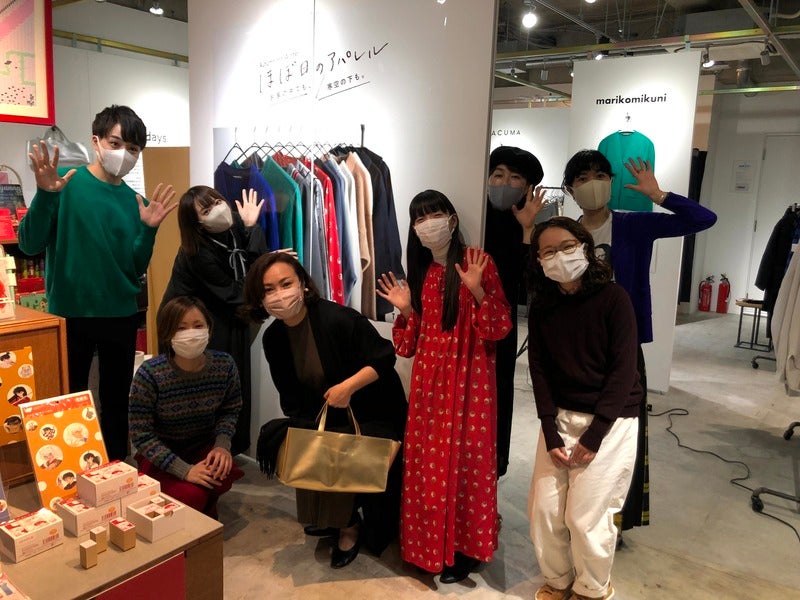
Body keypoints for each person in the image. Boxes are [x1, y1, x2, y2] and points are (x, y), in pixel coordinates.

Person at [563, 150, 717, 538]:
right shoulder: (564, 232)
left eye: (601, 175)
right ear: (570, 189)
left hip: (622, 344)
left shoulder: (633, 224)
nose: (593, 183)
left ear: (611, 182)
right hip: (578, 345)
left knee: (623, 431)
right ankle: (576, 510)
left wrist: (660, 195)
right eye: (582, 178)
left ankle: (616, 518)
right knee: (577, 428)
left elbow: (703, 219)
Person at [19, 105, 177, 462]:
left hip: (120, 313)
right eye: (116, 143)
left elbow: (134, 267)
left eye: (133, 149)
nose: (124, 154)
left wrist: (149, 231)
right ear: (96, 141)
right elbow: (28, 244)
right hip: (70, 312)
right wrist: (45, 195)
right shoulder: (64, 182)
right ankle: (71, 470)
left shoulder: (134, 202)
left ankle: (116, 469)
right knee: (69, 400)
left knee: (117, 400)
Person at [377, 189, 512, 583]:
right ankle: (427, 547)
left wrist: (478, 289)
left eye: (433, 214)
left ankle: (463, 552)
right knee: (428, 468)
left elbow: (499, 328)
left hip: (471, 383)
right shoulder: (420, 272)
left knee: (469, 465)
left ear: (452, 219)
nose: (427, 224)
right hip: (430, 388)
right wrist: (405, 309)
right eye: (419, 218)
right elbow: (408, 345)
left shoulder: (478, 262)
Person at [242, 252, 407, 569]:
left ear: (302, 283)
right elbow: (289, 393)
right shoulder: (274, 338)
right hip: (325, 413)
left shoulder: (338, 319)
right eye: (268, 289)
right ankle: (329, 517)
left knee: (338, 448)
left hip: (372, 411)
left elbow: (384, 358)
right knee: (301, 441)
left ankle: (349, 527)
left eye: (286, 284)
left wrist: (348, 387)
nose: (279, 295)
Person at [526, 216, 642, 600]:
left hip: (611, 419)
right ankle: (558, 580)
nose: (558, 257)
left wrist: (595, 435)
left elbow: (623, 371)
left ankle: (593, 588)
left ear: (585, 248)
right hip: (561, 416)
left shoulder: (614, 299)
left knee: (585, 516)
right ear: (539, 261)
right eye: (548, 252)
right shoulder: (543, 306)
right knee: (544, 511)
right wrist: (549, 429)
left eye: (566, 247)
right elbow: (539, 370)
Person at [160, 185, 267, 455]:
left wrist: (251, 226)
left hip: (225, 315)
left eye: (218, 201)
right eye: (207, 210)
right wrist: (262, 273)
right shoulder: (196, 253)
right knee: (206, 385)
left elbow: (253, 266)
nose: (218, 210)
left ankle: (228, 449)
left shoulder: (233, 227)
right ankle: (199, 453)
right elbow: (236, 291)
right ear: (196, 223)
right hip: (190, 323)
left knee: (232, 382)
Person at [128, 296, 244, 518]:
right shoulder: (149, 374)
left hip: (202, 446)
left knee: (224, 472)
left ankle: (199, 505)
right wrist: (185, 470)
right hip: (161, 453)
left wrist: (222, 445)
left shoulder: (225, 365)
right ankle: (201, 507)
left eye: (198, 326)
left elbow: (230, 409)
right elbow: (141, 435)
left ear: (209, 329)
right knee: (192, 495)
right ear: (167, 333)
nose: (191, 333)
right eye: (181, 328)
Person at [485, 146, 545, 477]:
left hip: (504, 325)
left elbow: (529, 283)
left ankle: (495, 462)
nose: (504, 182)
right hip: (467, 321)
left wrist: (527, 231)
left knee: (499, 388)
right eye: (498, 174)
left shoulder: (528, 225)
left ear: (526, 188)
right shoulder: (471, 214)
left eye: (515, 178)